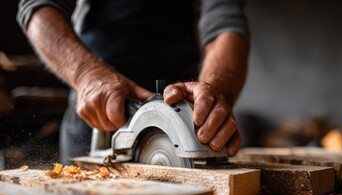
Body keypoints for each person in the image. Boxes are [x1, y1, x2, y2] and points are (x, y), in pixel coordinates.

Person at [17, 0, 249, 164]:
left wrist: (212, 92)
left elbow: (225, 22)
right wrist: (86, 74)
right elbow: (38, 6)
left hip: (182, 100)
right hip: (99, 100)